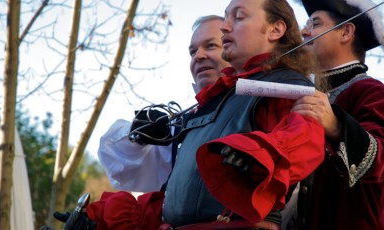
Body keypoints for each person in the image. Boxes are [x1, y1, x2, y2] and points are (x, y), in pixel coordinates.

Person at [82, 1, 326, 229]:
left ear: (275, 29)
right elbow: (175, 202)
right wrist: (102, 218)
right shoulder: (213, 101)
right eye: (226, 18)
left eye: (238, 17)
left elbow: (304, 140)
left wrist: (257, 154)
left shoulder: (284, 86)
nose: (225, 26)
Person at [289, 0, 384, 229]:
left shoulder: (373, 92)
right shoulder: (301, 91)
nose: (303, 31)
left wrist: (336, 126)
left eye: (315, 23)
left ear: (346, 32)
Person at [96, 15, 231, 193]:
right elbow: (121, 168)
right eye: (192, 51)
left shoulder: (260, 102)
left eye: (211, 45)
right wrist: (137, 135)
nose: (198, 56)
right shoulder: (181, 126)